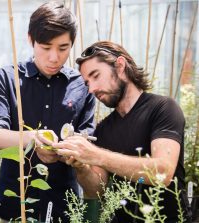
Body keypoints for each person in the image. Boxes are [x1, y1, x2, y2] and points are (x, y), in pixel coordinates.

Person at [52, 41, 192, 222]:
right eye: (87, 83)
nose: (91, 89)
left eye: (96, 76)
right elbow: (96, 190)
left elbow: (162, 173)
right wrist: (82, 166)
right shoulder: (103, 129)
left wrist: (96, 155)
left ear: (120, 66)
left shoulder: (163, 108)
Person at [0, 2, 95, 222]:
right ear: (30, 40)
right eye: (45, 47)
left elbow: (87, 142)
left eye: (63, 48)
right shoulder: (8, 78)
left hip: (64, 206)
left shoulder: (82, 84)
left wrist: (72, 151)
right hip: (14, 205)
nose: (54, 57)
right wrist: (33, 138)